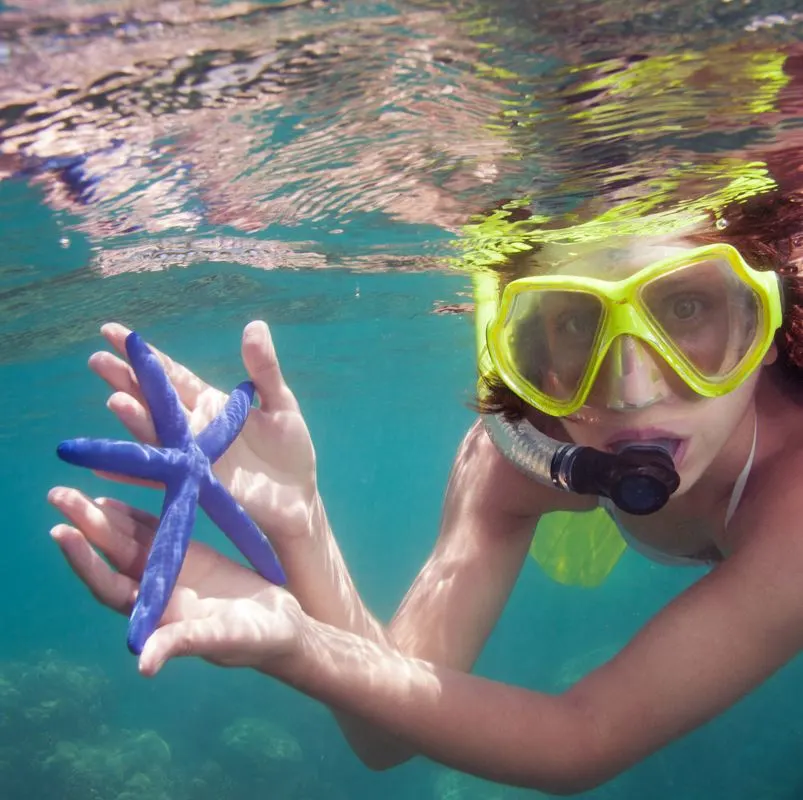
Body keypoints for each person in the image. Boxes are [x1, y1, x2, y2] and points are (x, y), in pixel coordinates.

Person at [48, 183, 803, 795]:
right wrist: (301, 528)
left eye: (685, 308)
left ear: (766, 324)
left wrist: (304, 650)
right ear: (530, 348)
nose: (633, 390)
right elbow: (384, 732)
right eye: (576, 323)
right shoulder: (516, 456)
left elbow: (581, 737)